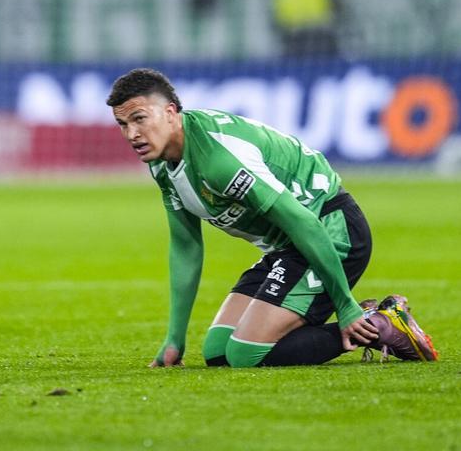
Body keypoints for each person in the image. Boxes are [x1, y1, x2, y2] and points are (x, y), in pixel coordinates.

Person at [106, 67, 437, 369]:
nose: (132, 134)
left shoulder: (219, 160)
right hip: (288, 246)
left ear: (170, 113)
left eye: (139, 119)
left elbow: (302, 221)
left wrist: (344, 304)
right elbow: (186, 245)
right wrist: (174, 338)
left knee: (246, 353)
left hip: (330, 231)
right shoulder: (162, 162)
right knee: (219, 353)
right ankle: (358, 320)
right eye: (123, 124)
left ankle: (379, 322)